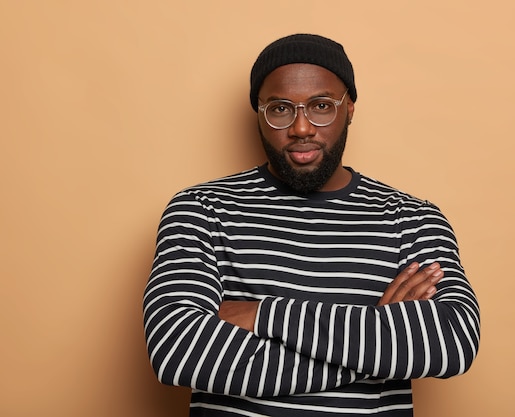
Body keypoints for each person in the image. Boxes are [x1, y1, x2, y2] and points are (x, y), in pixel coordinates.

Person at [143, 33, 480, 417]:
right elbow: (178, 350)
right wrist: (379, 338)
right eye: (281, 109)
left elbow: (453, 340)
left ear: (349, 108)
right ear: (259, 111)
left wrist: (260, 315)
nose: (302, 128)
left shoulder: (412, 219)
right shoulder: (203, 209)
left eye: (321, 106)